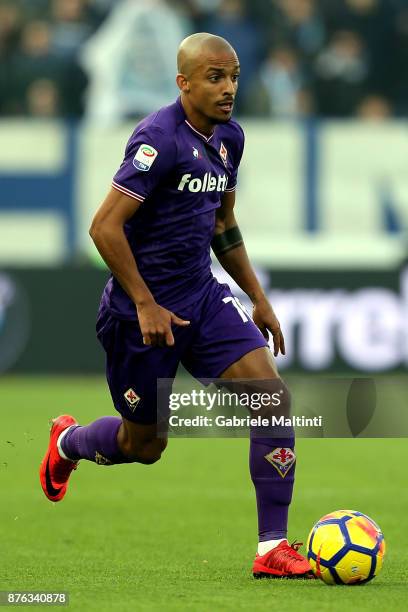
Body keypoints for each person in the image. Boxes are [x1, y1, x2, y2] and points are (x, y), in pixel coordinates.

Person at [39, 32, 313, 579]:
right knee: (142, 446)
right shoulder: (157, 139)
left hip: (203, 299)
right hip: (139, 318)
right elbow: (103, 227)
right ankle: (68, 442)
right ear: (183, 82)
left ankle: (271, 549)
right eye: (215, 77)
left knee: (272, 400)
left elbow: (222, 224)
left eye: (233, 76)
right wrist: (144, 302)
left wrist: (258, 299)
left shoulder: (230, 138)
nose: (229, 88)